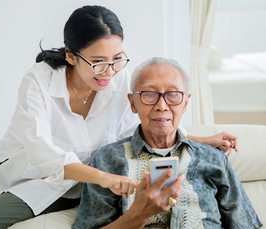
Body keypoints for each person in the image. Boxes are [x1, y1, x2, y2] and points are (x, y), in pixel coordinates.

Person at [0, 5, 238, 229]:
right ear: (71, 56)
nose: (109, 71)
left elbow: (136, 126)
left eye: (117, 58)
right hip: (14, 164)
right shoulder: (39, 80)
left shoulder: (120, 78)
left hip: (67, 179)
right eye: (98, 62)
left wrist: (201, 139)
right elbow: (39, 151)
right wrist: (104, 179)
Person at [72, 57, 262, 229]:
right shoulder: (107, 160)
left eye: (173, 94)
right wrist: (139, 214)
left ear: (185, 103)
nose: (162, 106)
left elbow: (244, 224)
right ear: (132, 103)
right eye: (149, 94)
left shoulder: (214, 159)